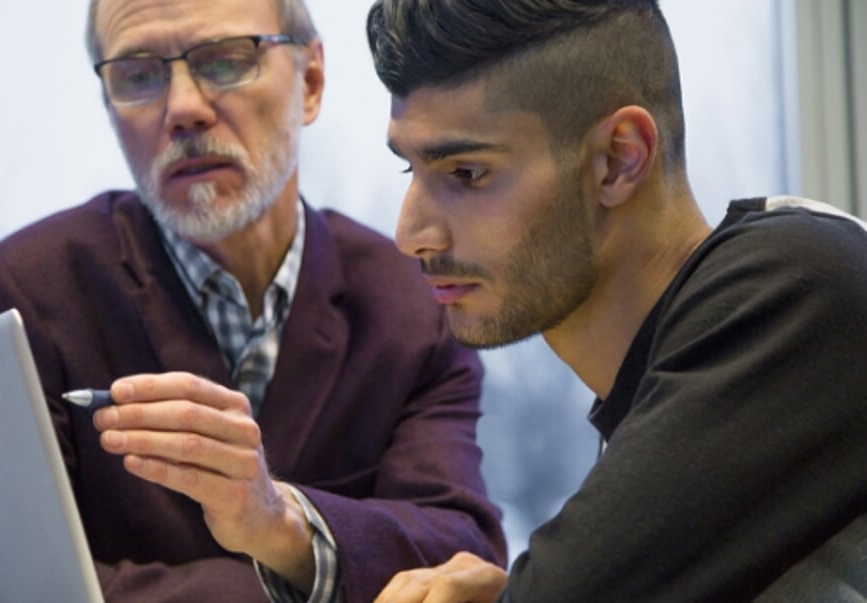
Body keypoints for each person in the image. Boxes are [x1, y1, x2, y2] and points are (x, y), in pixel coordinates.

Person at [0, 0, 508, 601]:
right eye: (138, 75)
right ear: (108, 107)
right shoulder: (23, 294)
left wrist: (284, 524)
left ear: (311, 83)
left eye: (225, 62)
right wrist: (320, 571)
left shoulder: (413, 303)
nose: (183, 108)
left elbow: (462, 559)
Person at [364, 0, 867, 601]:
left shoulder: (795, 285)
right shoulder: (654, 395)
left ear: (619, 158)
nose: (411, 232)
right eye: (410, 172)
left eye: (467, 173)